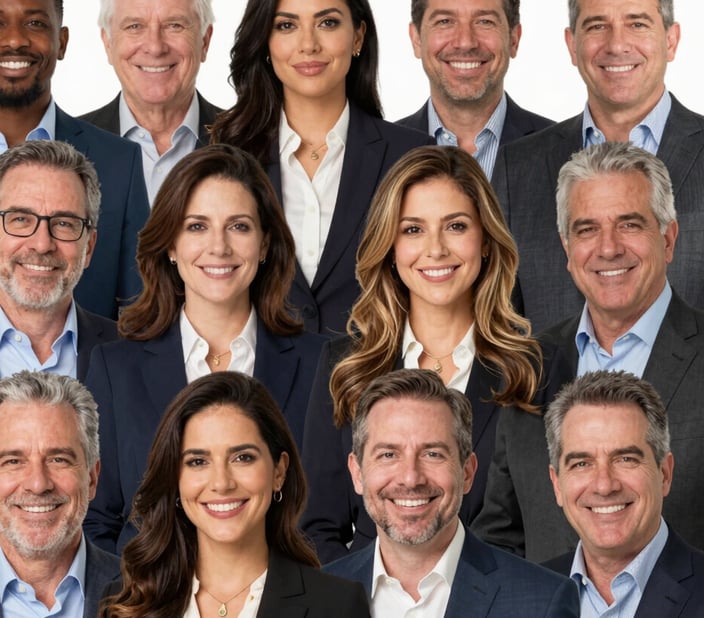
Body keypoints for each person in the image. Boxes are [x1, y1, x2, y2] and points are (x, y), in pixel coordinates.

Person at [301, 145, 556, 563]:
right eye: (413, 230)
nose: (435, 249)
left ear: (485, 240)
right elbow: (315, 529)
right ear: (390, 246)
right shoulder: (343, 367)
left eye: (455, 226)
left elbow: (544, 530)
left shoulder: (536, 372)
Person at [84, 144, 326, 553]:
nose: (219, 247)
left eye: (239, 226)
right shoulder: (115, 369)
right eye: (197, 226)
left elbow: (333, 523)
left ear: (265, 244)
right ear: (170, 245)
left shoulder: (321, 364)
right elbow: (96, 521)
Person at [474, 142, 704, 562]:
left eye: (629, 225)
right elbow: (501, 538)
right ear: (567, 248)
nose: (608, 248)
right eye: (587, 229)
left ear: (668, 239)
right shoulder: (530, 366)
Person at [0, 140, 119, 571]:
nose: (41, 243)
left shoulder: (135, 357)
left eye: (64, 223)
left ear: (90, 245)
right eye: (20, 219)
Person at [209, 0, 432, 335]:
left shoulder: (412, 155)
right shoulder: (224, 156)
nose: (308, 44)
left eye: (327, 23)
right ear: (266, 41)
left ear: (358, 37)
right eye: (286, 25)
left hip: (378, 365)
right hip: (254, 366)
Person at [491, 0, 704, 332]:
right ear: (572, 45)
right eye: (597, 26)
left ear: (671, 40)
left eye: (637, 24)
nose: (616, 45)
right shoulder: (516, 166)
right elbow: (499, 326)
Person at [0, 0, 149, 322]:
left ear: (62, 41)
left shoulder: (120, 161)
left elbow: (142, 311)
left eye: (35, 23)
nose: (14, 40)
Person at [99, 371, 370, 617]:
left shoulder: (338, 605)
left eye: (243, 458)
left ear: (279, 471)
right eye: (198, 461)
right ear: (174, 478)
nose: (221, 483)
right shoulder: (124, 604)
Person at [323, 368, 579, 616]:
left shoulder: (543, 601)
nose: (411, 478)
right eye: (388, 455)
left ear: (467, 472)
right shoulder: (317, 598)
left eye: (433, 454)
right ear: (357, 473)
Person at [0, 371, 120, 618]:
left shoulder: (156, 596)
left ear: (92, 477)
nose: (38, 484)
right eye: (13, 461)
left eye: (58, 459)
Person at [543, 370, 704, 617]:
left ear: (664, 474)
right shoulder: (524, 591)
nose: (604, 486)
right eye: (582, 464)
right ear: (557, 485)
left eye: (626, 459)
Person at [81, 0, 223, 204]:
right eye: (134, 26)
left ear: (205, 41)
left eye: (174, 25)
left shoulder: (254, 140)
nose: (155, 47)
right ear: (108, 43)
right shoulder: (65, 143)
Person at [398, 0, 553, 179]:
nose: (466, 42)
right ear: (416, 39)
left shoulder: (563, 151)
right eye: (445, 21)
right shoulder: (382, 154)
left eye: (485, 22)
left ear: (514, 39)